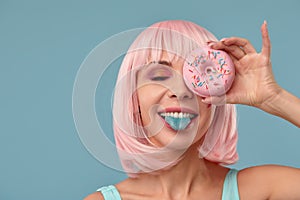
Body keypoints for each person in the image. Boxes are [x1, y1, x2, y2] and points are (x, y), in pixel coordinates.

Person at [85, 20, 300, 200]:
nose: (181, 91)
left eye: (199, 75)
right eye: (160, 76)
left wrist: (275, 98)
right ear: (134, 100)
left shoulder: (257, 190)